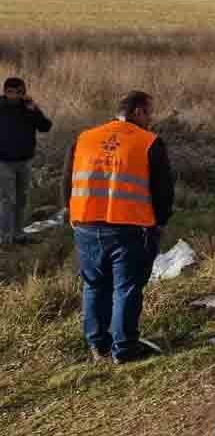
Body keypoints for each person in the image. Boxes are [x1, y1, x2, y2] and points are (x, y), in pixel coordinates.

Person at [64, 90, 174, 364]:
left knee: (94, 286)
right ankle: (124, 350)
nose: (151, 119)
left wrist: (74, 215)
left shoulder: (84, 139)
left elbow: (67, 183)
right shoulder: (149, 143)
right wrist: (159, 223)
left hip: (86, 225)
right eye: (149, 113)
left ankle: (99, 346)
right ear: (138, 112)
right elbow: (163, 191)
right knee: (126, 289)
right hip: (131, 228)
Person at [1, 77, 52, 245]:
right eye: (11, 92)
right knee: (8, 199)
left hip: (24, 161)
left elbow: (45, 127)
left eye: (19, 92)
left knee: (21, 199)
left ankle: (18, 234)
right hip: (3, 162)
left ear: (24, 92)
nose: (15, 96)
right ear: (5, 92)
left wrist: (34, 110)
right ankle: (4, 237)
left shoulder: (28, 108)